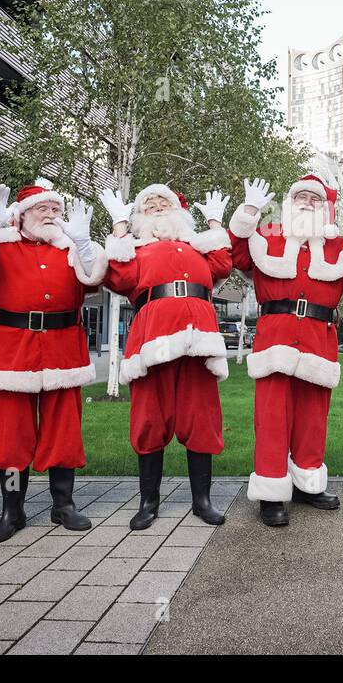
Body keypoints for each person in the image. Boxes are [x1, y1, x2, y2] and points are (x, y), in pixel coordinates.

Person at [0, 180, 107, 544]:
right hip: (10, 348)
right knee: (10, 434)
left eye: (56, 210)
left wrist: (84, 242)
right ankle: (12, 510)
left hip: (63, 347)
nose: (52, 216)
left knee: (63, 430)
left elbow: (96, 277)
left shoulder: (72, 248)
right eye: (43, 209)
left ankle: (63, 504)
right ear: (22, 215)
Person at [228, 174, 343, 526]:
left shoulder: (337, 245)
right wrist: (249, 210)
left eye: (314, 199)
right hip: (276, 336)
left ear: (325, 208)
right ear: (288, 203)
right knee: (272, 418)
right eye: (300, 196)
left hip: (318, 338)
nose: (307, 202)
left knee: (313, 418)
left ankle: (307, 482)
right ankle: (271, 493)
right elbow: (236, 253)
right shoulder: (268, 234)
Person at [100, 183, 233, 530]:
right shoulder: (136, 248)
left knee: (201, 415)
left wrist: (216, 223)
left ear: (178, 210)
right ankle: (148, 502)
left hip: (198, 336)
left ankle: (202, 501)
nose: (157, 206)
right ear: (139, 216)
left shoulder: (195, 246)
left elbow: (222, 265)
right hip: (153, 335)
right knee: (149, 415)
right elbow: (118, 278)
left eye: (164, 201)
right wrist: (119, 228)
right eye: (149, 204)